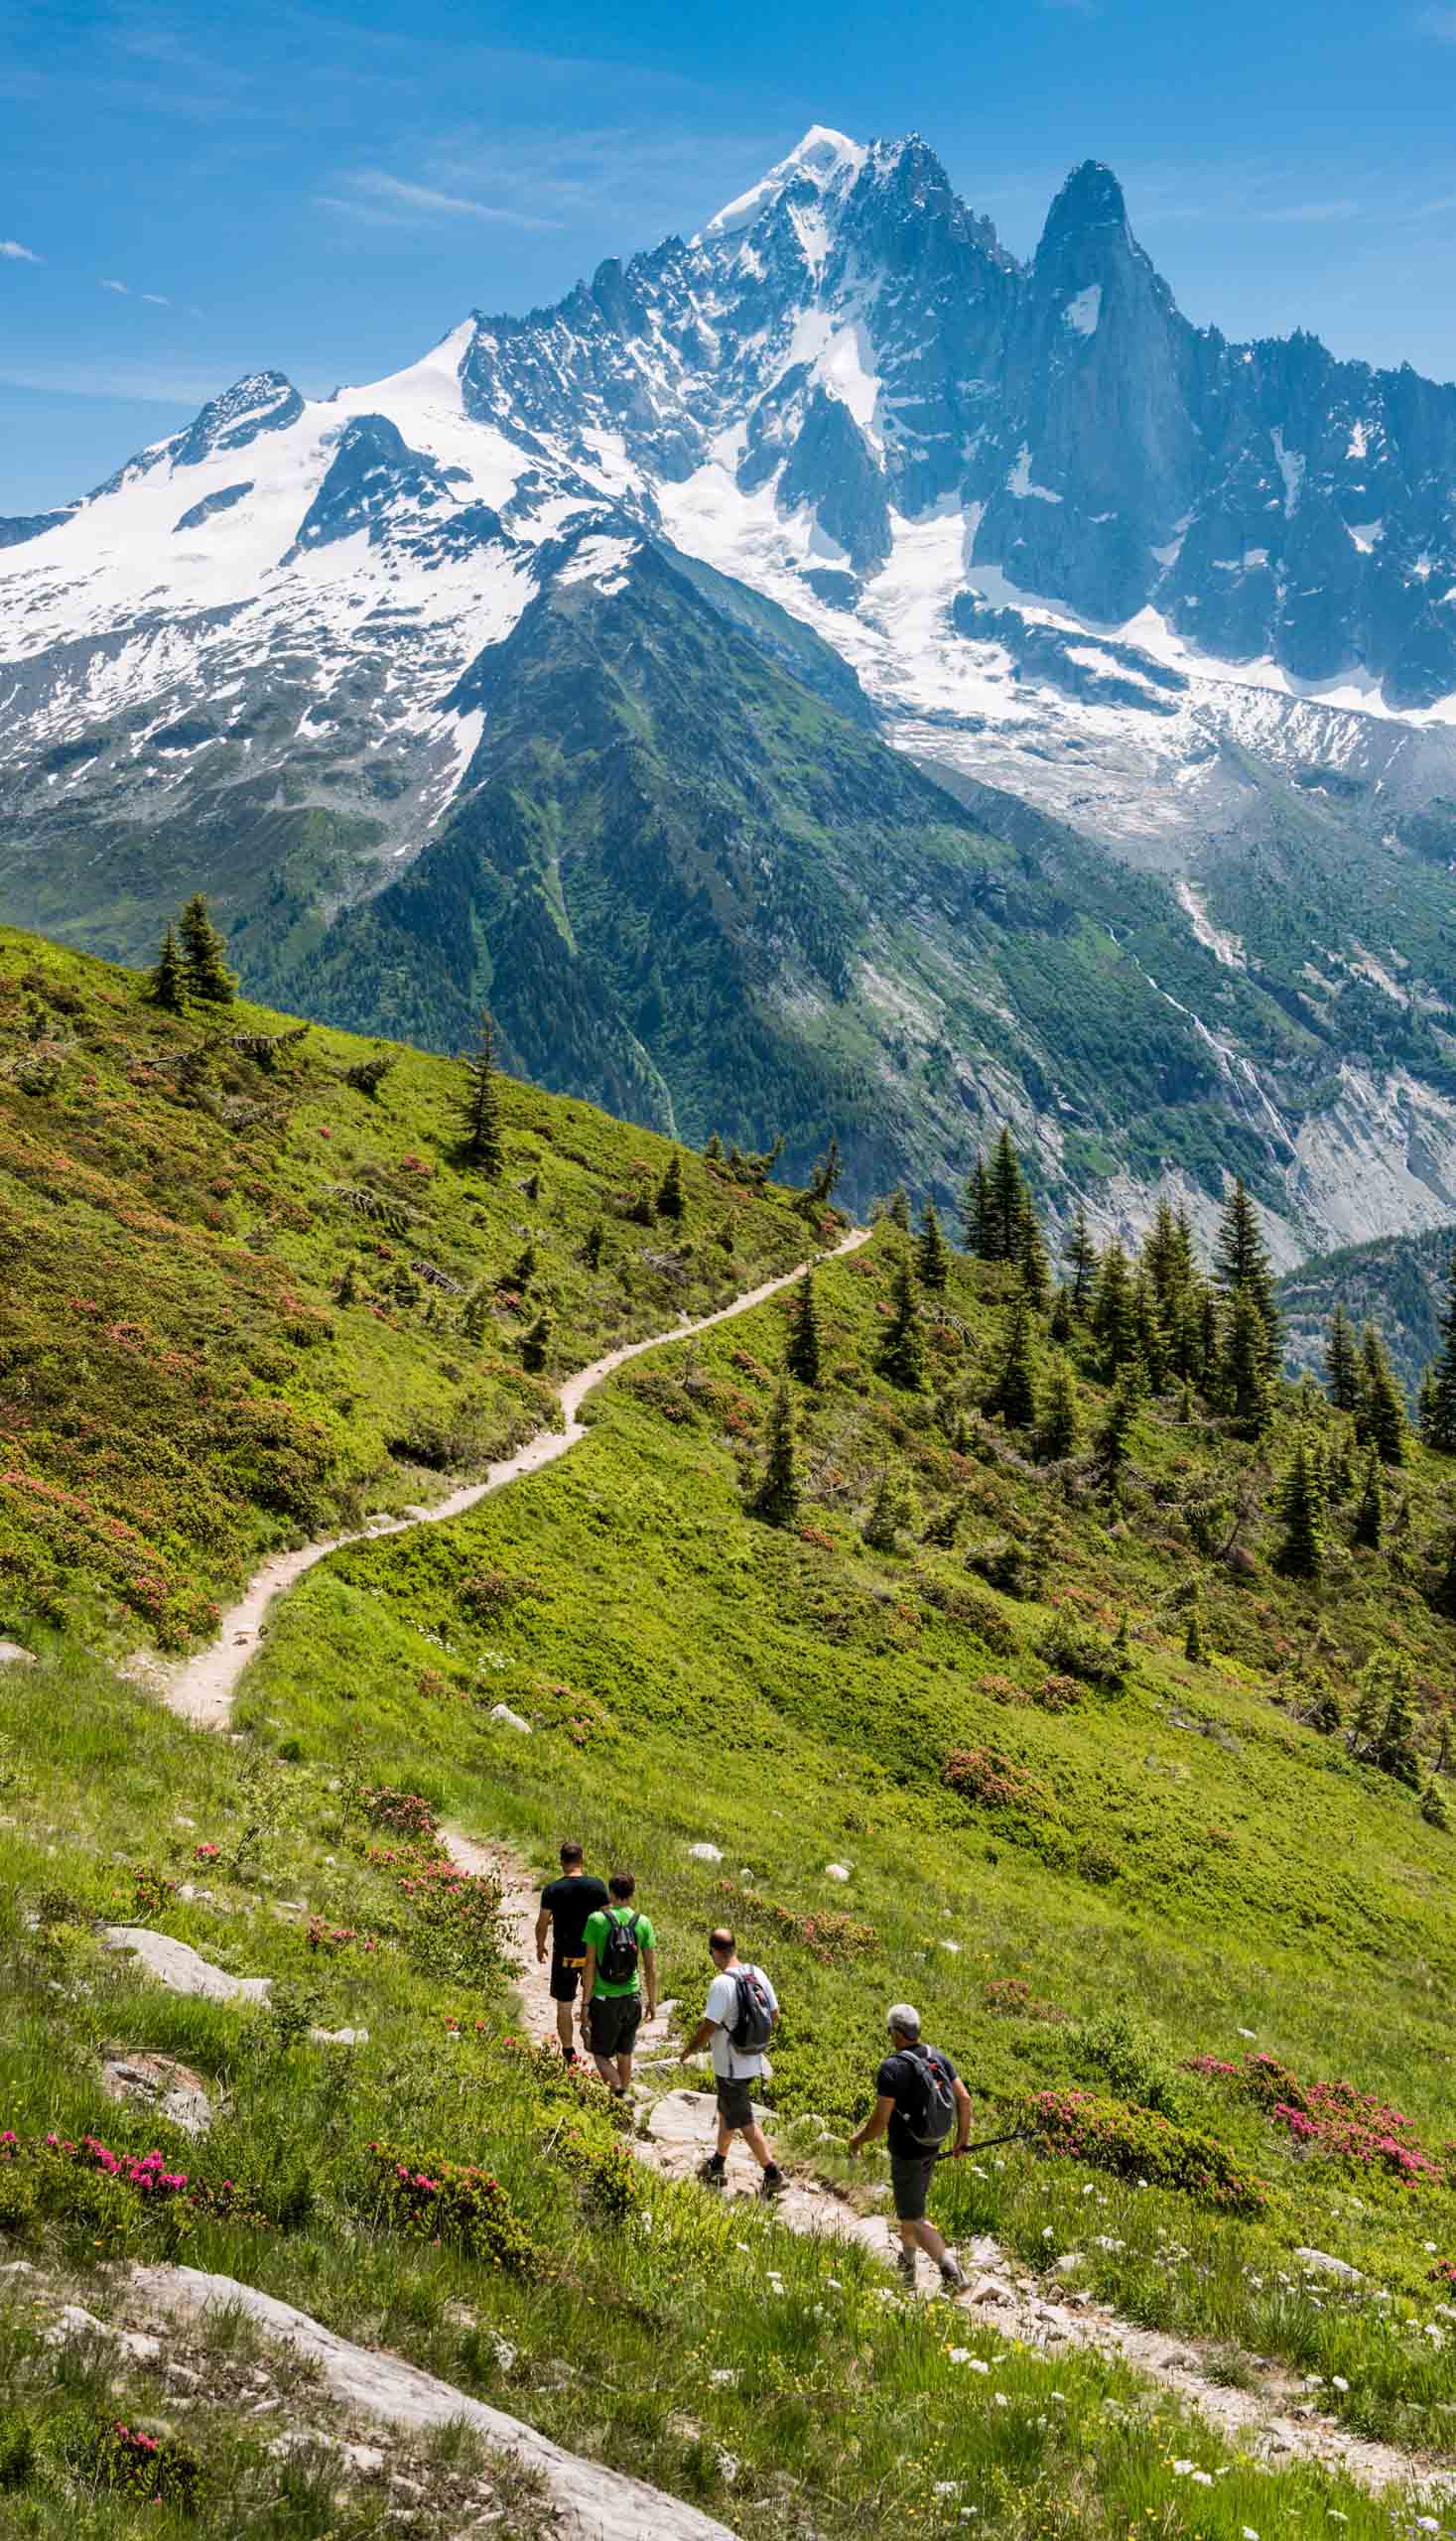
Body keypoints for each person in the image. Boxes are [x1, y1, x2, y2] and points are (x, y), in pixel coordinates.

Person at [848, 2003, 971, 2292]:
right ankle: (907, 2271)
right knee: (910, 2209)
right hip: (932, 2144)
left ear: (896, 2033)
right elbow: (964, 2100)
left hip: (907, 2151)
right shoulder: (937, 2056)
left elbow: (878, 2125)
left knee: (913, 2219)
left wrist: (856, 2141)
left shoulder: (892, 2068)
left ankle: (951, 2271)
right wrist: (961, 2141)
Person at [680, 1926, 786, 2199]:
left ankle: (772, 2173)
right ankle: (718, 2163)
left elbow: (708, 2026)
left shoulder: (721, 1984)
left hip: (730, 2065)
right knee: (728, 2110)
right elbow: (774, 2015)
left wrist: (689, 2050)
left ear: (715, 1952)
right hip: (754, 2058)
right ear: (734, 1948)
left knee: (743, 2119)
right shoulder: (756, 1972)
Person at [581, 1871, 656, 2094]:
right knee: (625, 2052)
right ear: (632, 1894)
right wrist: (652, 2001)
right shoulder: (642, 1922)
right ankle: (624, 2097)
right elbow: (651, 1968)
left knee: (600, 2053)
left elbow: (590, 1965)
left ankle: (619, 2093)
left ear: (610, 1893)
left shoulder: (596, 1920)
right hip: (633, 1997)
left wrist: (585, 2003)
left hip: (605, 1999)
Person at [535, 1841, 609, 2064]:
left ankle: (569, 2052)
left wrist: (540, 1945)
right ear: (582, 1859)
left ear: (561, 1862)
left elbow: (542, 1923)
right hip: (591, 1954)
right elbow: (608, 1920)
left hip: (565, 1955)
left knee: (564, 2005)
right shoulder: (597, 1886)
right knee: (594, 1999)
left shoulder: (552, 1890)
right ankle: (593, 2036)